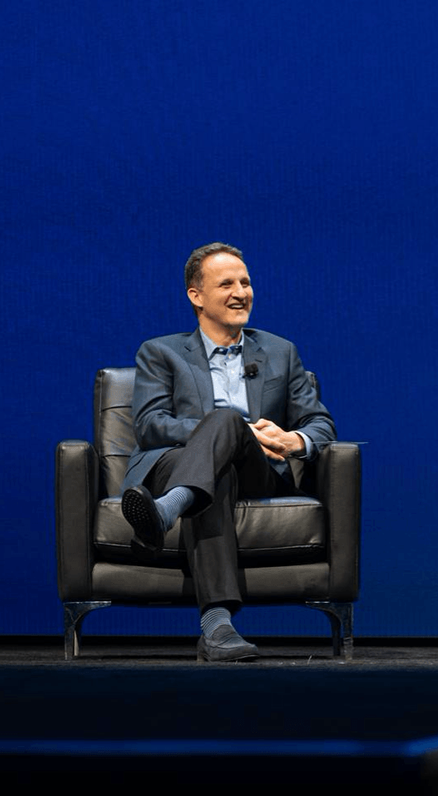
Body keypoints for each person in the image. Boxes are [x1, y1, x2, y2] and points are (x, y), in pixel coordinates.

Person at [120, 242, 336, 662]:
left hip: (257, 471)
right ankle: (218, 626)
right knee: (218, 443)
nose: (241, 292)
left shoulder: (279, 351)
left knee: (225, 426)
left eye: (246, 282)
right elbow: (149, 425)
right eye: (227, 284)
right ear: (196, 296)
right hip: (174, 464)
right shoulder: (160, 352)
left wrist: (294, 441)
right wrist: (231, 429)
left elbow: (321, 425)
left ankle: (166, 511)